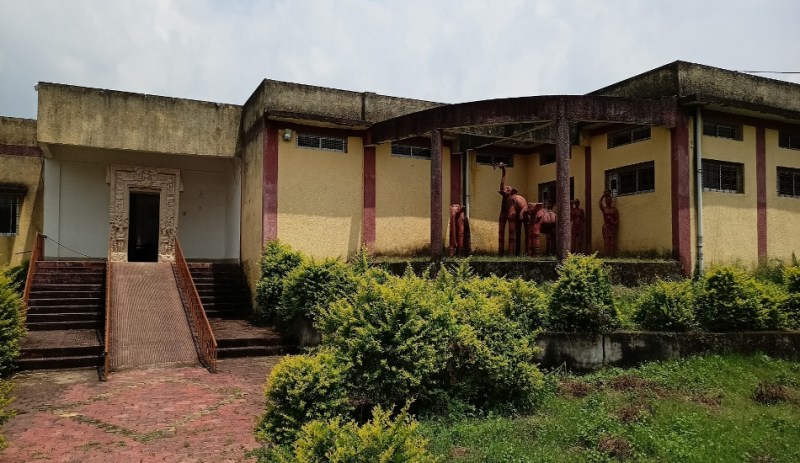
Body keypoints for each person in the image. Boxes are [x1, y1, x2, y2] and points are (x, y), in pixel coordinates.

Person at [599, 191, 619, 257]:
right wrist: (603, 195)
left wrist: (612, 222)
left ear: (611, 201)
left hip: (612, 227)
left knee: (612, 242)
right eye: (607, 200)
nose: (609, 201)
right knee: (607, 242)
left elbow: (616, 221)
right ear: (605, 201)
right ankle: (606, 255)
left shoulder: (614, 210)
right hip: (605, 227)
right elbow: (600, 203)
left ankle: (612, 255)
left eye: (610, 200)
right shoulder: (604, 209)